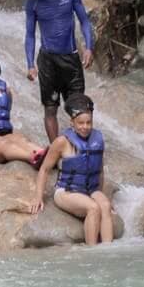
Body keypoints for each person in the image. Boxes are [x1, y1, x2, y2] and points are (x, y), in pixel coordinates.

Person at [20, 0, 95, 143]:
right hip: (47, 61)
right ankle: (56, 150)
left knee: (80, 106)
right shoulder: (33, 3)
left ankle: (82, 145)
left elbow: (84, 21)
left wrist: (89, 47)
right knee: (50, 108)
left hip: (70, 58)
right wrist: (30, 64)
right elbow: (30, 35)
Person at [30, 94, 113, 246]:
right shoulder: (62, 142)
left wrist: (100, 193)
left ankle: (109, 250)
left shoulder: (97, 139)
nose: (85, 127)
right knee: (93, 207)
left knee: (105, 205)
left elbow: (99, 170)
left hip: (90, 190)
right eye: (80, 123)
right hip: (66, 192)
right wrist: (38, 197)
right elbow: (44, 169)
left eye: (89, 122)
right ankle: (93, 251)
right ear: (72, 122)